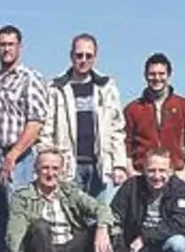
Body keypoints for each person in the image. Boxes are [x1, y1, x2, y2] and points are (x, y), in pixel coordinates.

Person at [6, 147, 115, 252]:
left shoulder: (69, 191)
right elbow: (14, 235)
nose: (50, 174)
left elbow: (101, 209)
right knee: (39, 226)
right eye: (45, 168)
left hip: (68, 250)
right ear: (36, 169)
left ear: (62, 170)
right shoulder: (22, 197)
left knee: (103, 228)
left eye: (55, 169)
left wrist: (102, 228)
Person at [0, 25, 50, 252]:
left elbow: (36, 121)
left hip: (19, 159)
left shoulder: (29, 78)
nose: (6, 49)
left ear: (20, 46)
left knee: (20, 220)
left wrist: (14, 154)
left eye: (11, 44)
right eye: (2, 44)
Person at [43, 33, 128, 200]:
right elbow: (47, 129)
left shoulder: (107, 87)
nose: (83, 60)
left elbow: (117, 129)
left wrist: (119, 165)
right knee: (69, 221)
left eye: (88, 56)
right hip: (67, 167)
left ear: (95, 57)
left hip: (100, 167)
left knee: (100, 219)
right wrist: (50, 163)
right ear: (71, 56)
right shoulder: (55, 88)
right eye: (79, 55)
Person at [109, 148, 185, 252]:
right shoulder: (131, 187)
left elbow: (180, 224)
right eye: (151, 170)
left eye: (162, 171)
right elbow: (115, 223)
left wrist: (145, 237)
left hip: (165, 251)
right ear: (143, 170)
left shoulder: (179, 188)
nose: (157, 176)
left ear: (171, 171)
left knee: (178, 244)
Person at [125, 52, 185, 183]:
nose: (157, 78)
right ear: (145, 75)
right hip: (143, 176)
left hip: (176, 174)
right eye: (152, 74)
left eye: (161, 74)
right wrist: (130, 172)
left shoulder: (184, 106)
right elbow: (126, 143)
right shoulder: (133, 109)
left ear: (169, 75)